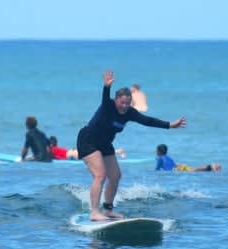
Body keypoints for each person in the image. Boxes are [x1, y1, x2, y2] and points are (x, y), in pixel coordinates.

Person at [77, 70, 186, 221]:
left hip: (105, 144)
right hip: (88, 140)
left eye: (127, 103)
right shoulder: (108, 105)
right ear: (115, 100)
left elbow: (147, 121)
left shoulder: (129, 112)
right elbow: (104, 98)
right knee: (100, 175)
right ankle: (94, 212)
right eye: (122, 102)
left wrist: (169, 125)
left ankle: (108, 210)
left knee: (115, 176)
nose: (124, 106)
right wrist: (106, 87)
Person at [49, 136, 126, 160]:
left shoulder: (52, 149)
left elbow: (55, 157)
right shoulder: (56, 148)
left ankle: (118, 151)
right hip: (74, 152)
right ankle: (117, 151)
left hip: (74, 154)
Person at [155, 144, 221, 172]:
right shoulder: (169, 158)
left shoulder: (160, 159)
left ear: (159, 151)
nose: (156, 152)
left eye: (156, 150)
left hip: (177, 170)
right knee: (195, 169)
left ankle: (210, 166)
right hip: (180, 167)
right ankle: (210, 167)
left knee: (194, 170)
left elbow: (157, 170)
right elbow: (173, 165)